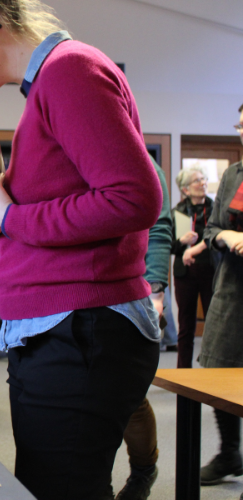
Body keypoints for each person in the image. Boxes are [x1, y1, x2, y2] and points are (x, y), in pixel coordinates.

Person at [0, 1, 163, 498]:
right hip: (63, 327)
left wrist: (13, 216)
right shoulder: (49, 85)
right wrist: (1, 214)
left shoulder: (69, 71)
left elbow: (134, 197)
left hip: (81, 327)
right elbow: (66, 202)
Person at [116, 158, 173, 500]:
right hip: (70, 293)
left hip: (129, 291)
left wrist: (156, 288)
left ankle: (143, 472)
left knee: (130, 396)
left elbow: (160, 227)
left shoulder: (140, 157)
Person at [197, 103, 243, 489]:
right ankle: (230, 452)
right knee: (218, 373)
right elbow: (211, 228)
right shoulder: (232, 175)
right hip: (231, 291)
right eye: (241, 127)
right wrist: (224, 236)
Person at [172, 165, 216, 368]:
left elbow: (216, 238)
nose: (203, 183)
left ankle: (212, 370)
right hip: (185, 273)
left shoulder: (216, 209)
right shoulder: (178, 212)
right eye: (197, 180)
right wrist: (181, 241)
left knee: (214, 323)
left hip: (211, 270)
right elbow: (168, 245)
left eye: (204, 179)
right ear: (186, 189)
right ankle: (183, 373)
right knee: (186, 326)